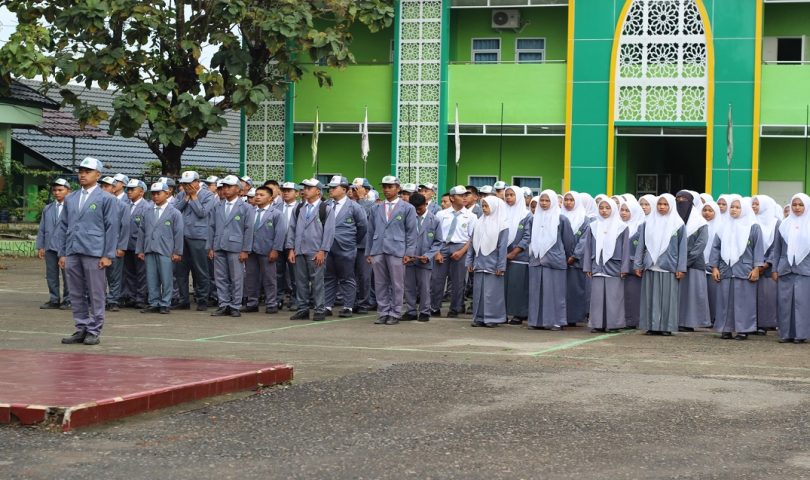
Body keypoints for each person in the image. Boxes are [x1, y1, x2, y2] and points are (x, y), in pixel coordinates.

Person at [58, 157, 119, 346]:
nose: (82, 174)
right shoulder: (71, 198)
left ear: (98, 175)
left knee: (96, 293)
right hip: (73, 250)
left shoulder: (107, 198)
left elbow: (112, 228)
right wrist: (62, 253)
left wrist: (107, 255)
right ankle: (81, 327)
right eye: (81, 171)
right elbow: (63, 226)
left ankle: (94, 330)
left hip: (95, 251)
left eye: (87, 171)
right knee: (75, 292)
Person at [709, 196, 765, 340]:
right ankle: (725, 329)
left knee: (744, 301)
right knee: (724, 300)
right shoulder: (723, 226)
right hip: (726, 269)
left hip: (745, 270)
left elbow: (758, 248)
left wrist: (757, 268)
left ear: (744, 209)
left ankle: (743, 330)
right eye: (732, 207)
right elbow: (715, 248)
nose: (734, 210)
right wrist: (714, 267)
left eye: (738, 207)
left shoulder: (753, 226)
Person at [365, 175, 417, 325]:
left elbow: (411, 232)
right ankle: (383, 311)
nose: (386, 189)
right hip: (378, 248)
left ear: (398, 188)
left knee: (397, 283)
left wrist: (409, 253)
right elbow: (370, 231)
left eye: (390, 187)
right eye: (384, 187)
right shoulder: (375, 208)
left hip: (397, 249)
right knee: (380, 283)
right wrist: (369, 252)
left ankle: (395, 312)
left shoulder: (408, 208)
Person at [633, 194, 687, 336]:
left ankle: (666, 327)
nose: (662, 207)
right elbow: (641, 245)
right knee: (650, 298)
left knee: (667, 299)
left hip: (669, 266)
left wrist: (681, 268)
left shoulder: (678, 224)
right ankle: (651, 326)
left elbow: (682, 247)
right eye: (659, 204)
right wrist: (638, 264)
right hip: (650, 266)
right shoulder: (648, 222)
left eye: (665, 204)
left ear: (671, 206)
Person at [287, 178, 335, 321]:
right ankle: (303, 309)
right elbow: (291, 229)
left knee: (317, 282)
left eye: (309, 188)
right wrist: (291, 249)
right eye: (305, 188)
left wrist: (323, 250)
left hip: (315, 251)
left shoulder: (325, 209)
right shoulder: (299, 208)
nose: (305, 190)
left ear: (318, 191)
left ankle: (319, 309)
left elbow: (329, 232)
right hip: (299, 250)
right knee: (300, 281)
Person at [207, 174, 255, 318]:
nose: (226, 189)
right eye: (224, 187)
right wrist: (210, 247)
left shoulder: (246, 207)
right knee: (220, 277)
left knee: (236, 278)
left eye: (229, 187)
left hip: (236, 247)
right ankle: (223, 304)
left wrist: (245, 249)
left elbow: (249, 229)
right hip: (219, 245)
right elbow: (211, 226)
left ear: (238, 189)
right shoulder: (217, 205)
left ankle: (235, 305)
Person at [527, 190, 575, 331]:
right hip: (537, 260)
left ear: (553, 202)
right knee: (536, 292)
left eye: (547, 201)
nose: (544, 203)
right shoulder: (533, 219)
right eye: (542, 200)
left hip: (554, 261)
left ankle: (556, 321)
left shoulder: (561, 219)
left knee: (555, 293)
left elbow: (568, 241)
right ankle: (536, 321)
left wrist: (564, 256)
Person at [583, 195, 630, 333]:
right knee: (597, 298)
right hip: (597, 266)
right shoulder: (593, 226)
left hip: (614, 267)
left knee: (614, 297)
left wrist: (624, 268)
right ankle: (597, 324)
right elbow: (588, 247)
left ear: (614, 209)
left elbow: (626, 249)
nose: (604, 210)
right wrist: (588, 266)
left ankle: (613, 324)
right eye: (601, 208)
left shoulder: (622, 227)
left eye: (608, 208)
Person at [137, 182, 183, 314]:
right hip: (150, 248)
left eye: (158, 193)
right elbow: (142, 232)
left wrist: (177, 252)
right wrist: (140, 250)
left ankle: (165, 302)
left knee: (166, 278)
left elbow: (178, 233)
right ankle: (153, 302)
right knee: (151, 278)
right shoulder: (147, 211)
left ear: (167, 194)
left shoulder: (174, 212)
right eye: (153, 194)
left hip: (166, 250)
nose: (155, 196)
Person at [430, 185, 476, 318]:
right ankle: (434, 307)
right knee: (437, 279)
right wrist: (437, 252)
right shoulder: (441, 214)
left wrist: (462, 252)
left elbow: (472, 237)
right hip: (442, 246)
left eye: (465, 195)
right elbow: (434, 234)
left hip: (461, 247)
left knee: (458, 281)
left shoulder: (471, 216)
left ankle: (455, 308)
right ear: (452, 198)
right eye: (460, 195)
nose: (464, 198)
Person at [324, 176, 367, 318]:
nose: (330, 190)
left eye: (334, 187)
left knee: (347, 277)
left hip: (346, 247)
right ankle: (327, 306)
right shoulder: (326, 205)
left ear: (344, 189)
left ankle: (348, 306)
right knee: (328, 277)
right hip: (327, 247)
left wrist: (352, 241)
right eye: (330, 187)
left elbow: (363, 227)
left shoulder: (354, 206)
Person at [174, 170, 217, 311]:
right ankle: (183, 299)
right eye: (184, 183)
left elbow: (202, 212)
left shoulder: (208, 195)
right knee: (181, 270)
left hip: (199, 236)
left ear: (197, 182)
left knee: (200, 270)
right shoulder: (181, 195)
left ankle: (202, 299)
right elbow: (174, 211)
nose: (186, 186)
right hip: (181, 236)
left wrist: (193, 197)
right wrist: (186, 198)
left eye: (189, 183)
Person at [771, 193, 810, 344]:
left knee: (802, 304)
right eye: (794, 204)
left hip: (805, 271)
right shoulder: (784, 225)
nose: (797, 207)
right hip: (785, 270)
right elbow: (777, 249)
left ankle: (801, 334)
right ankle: (785, 334)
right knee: (785, 303)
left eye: (801, 205)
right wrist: (775, 269)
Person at [467, 196, 509, 327]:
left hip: (493, 264)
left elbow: (502, 247)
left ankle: (493, 319)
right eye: (483, 206)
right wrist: (469, 261)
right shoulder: (479, 222)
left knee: (492, 293)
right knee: (479, 293)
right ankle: (479, 318)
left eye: (487, 206)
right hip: (479, 263)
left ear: (494, 207)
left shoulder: (502, 225)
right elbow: (472, 244)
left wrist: (501, 266)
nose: (484, 209)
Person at [244, 186, 285, 314]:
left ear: (270, 198)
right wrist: (244, 248)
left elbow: (280, 233)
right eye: (256, 194)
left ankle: (271, 303)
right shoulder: (250, 212)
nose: (257, 197)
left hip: (267, 250)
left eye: (261, 195)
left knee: (269, 278)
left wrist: (276, 249)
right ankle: (252, 303)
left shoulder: (276, 213)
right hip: (251, 250)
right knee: (251, 277)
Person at [403, 193, 442, 321]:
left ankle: (425, 311)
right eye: (414, 209)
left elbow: (438, 242)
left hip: (425, 260)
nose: (417, 212)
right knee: (409, 287)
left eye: (419, 208)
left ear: (426, 204)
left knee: (425, 287)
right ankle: (411, 311)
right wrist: (406, 253)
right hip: (409, 258)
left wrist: (428, 255)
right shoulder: (407, 218)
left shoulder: (434, 220)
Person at [675, 190, 710, 332]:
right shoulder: (673, 220)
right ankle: (676, 321)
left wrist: (685, 262)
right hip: (675, 265)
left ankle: (690, 322)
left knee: (692, 295)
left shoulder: (700, 223)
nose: (681, 202)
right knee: (678, 295)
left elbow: (700, 245)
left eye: (684, 199)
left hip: (694, 264)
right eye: (678, 199)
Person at [36, 178, 71, 310]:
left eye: (60, 190)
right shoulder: (48, 208)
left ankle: (68, 299)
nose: (57, 193)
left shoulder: (72, 208)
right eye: (55, 190)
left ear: (68, 191)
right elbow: (42, 228)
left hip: (65, 247)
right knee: (51, 274)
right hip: (50, 246)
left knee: (68, 275)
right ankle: (54, 299)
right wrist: (41, 246)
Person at [752, 194, 781, 334]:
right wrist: (756, 264)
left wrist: (767, 263)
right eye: (753, 203)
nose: (754, 206)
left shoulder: (776, 223)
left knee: (766, 297)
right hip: (752, 266)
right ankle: (751, 324)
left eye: (757, 204)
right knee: (752, 297)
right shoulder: (750, 220)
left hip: (769, 267)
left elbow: (777, 246)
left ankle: (764, 324)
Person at [100, 176, 130, 312]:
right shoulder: (97, 204)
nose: (103, 189)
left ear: (114, 188)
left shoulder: (122, 206)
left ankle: (113, 300)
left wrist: (122, 246)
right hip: (98, 246)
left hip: (115, 246)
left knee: (115, 275)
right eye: (102, 186)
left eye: (107, 186)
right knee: (99, 275)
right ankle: (100, 299)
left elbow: (125, 227)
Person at [503, 186, 531, 325]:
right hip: (503, 255)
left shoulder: (527, 215)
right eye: (507, 195)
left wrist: (514, 252)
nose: (508, 197)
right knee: (504, 287)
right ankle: (503, 314)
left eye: (512, 195)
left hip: (519, 257)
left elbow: (527, 236)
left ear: (519, 197)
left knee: (518, 286)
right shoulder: (502, 213)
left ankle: (519, 314)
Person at [562, 191, 591, 325]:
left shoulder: (584, 219)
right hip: (560, 260)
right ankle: (561, 317)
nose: (568, 202)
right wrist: (562, 255)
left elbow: (584, 241)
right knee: (561, 291)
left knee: (575, 290)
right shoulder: (559, 216)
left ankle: (573, 318)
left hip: (576, 263)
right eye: (566, 199)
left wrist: (574, 256)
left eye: (571, 200)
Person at [121, 179, 150, 309]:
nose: (129, 192)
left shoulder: (147, 207)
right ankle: (131, 296)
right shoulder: (125, 205)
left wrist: (143, 248)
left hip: (140, 246)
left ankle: (141, 298)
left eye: (133, 189)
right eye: (128, 189)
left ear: (141, 192)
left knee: (142, 273)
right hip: (127, 245)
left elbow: (147, 230)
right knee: (129, 273)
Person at [620, 197, 644, 329]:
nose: (623, 213)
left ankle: (634, 321)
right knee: (622, 295)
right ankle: (623, 320)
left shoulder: (640, 227)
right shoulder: (618, 225)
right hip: (618, 266)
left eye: (627, 210)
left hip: (633, 267)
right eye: (622, 210)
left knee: (634, 295)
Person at [351, 177, 375, 314]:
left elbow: (363, 217)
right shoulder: (348, 204)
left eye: (357, 189)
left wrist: (361, 198)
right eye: (352, 189)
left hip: (364, 246)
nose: (353, 191)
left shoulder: (372, 205)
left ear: (365, 190)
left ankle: (364, 303)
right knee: (350, 276)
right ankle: (352, 302)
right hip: (349, 245)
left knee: (364, 276)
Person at [276, 182, 300, 311]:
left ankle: (296, 299)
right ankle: (278, 298)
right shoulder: (276, 206)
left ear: (297, 193)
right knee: (278, 273)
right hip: (279, 244)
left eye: (289, 190)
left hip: (294, 245)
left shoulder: (301, 207)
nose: (285, 193)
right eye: (284, 190)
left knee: (295, 274)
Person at [701, 200, 722, 325]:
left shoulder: (720, 226)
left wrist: (715, 264)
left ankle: (715, 318)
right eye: (704, 210)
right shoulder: (698, 225)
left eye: (710, 210)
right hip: (700, 264)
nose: (707, 213)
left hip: (714, 266)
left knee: (714, 294)